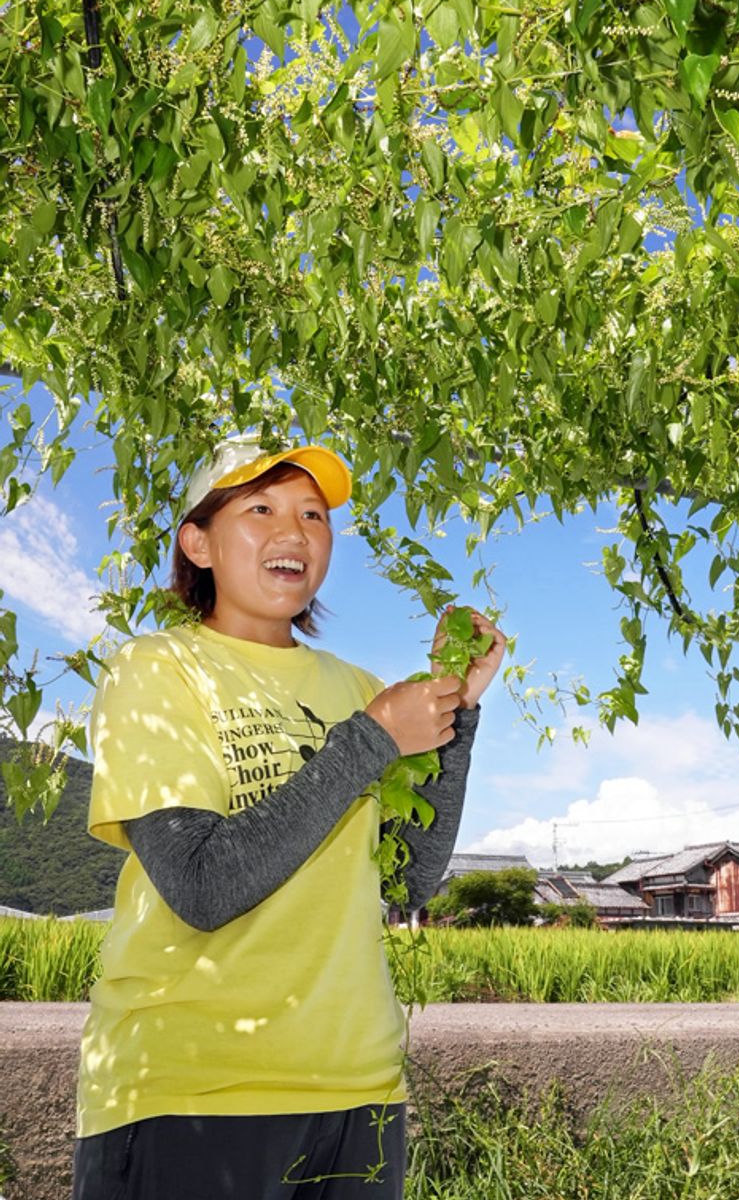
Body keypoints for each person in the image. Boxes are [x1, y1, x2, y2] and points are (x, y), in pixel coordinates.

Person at [71, 436, 505, 1200]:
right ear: (197, 542)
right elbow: (202, 886)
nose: (295, 531)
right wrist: (370, 740)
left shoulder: (360, 686)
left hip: (359, 1089)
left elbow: (410, 876)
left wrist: (454, 711)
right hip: (189, 1091)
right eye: (261, 507)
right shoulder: (154, 670)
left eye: (314, 513)